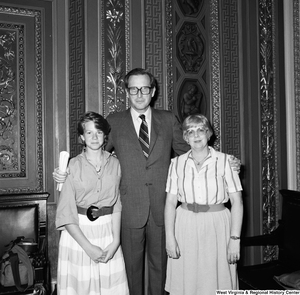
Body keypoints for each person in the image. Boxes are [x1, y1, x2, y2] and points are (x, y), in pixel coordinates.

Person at [53, 68, 241, 295]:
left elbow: (192, 149)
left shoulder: (168, 118)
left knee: (160, 270)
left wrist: (226, 162)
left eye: (144, 88)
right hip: (128, 209)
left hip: (163, 209)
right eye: (134, 89)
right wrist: (66, 172)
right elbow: (95, 153)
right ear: (126, 92)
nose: (139, 94)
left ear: (152, 92)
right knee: (130, 273)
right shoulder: (115, 121)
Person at [164, 114, 243, 295]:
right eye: (190, 132)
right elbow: (170, 202)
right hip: (185, 225)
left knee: (216, 280)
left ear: (209, 134)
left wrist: (234, 239)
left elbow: (237, 202)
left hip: (217, 225)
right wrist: (169, 237)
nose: (196, 135)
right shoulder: (176, 164)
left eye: (201, 130)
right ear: (185, 137)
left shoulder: (226, 161)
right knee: (187, 281)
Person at [55, 111, 129, 295]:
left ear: (105, 135)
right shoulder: (71, 166)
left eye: (99, 132)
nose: (94, 137)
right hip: (79, 236)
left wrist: (116, 241)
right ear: (81, 137)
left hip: (107, 236)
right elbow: (65, 214)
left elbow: (117, 205)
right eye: (89, 133)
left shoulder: (116, 164)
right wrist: (88, 248)